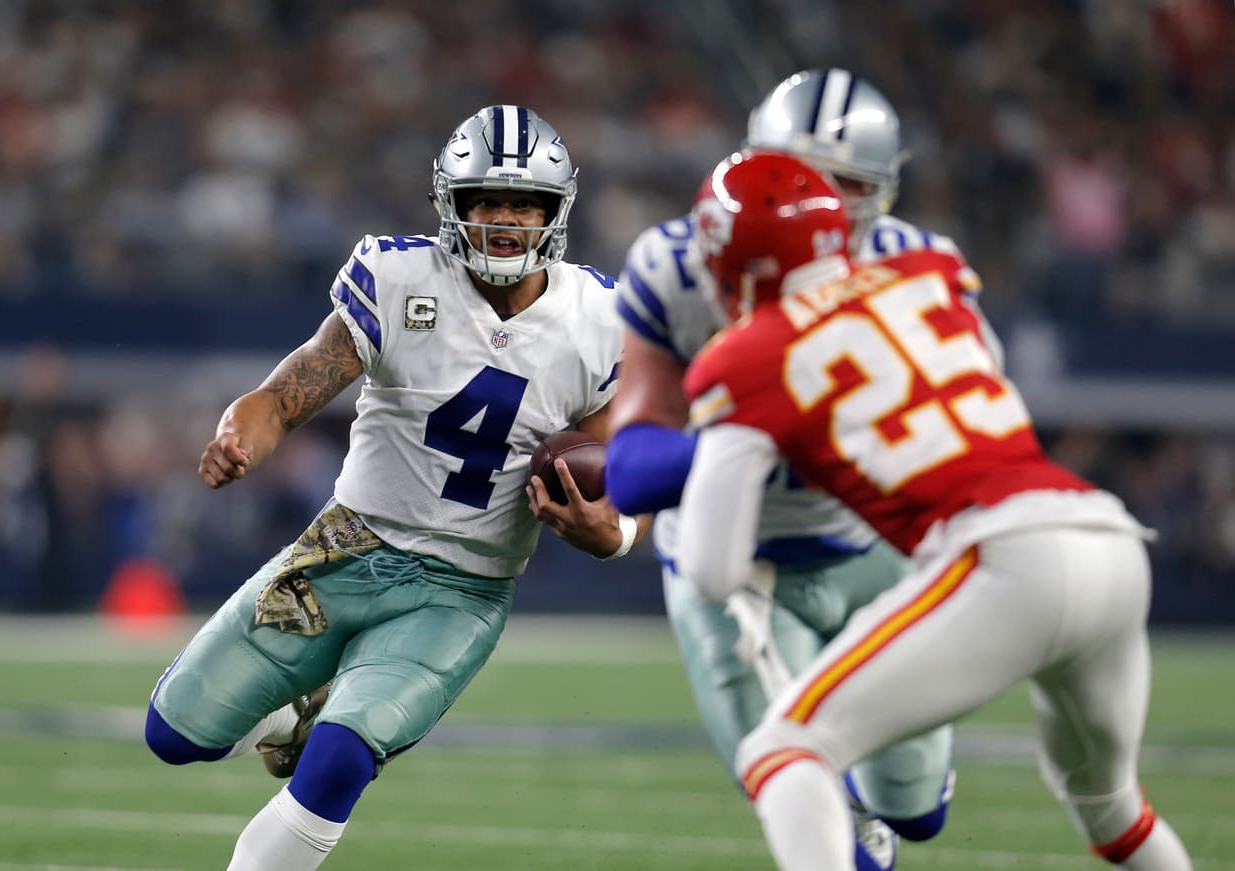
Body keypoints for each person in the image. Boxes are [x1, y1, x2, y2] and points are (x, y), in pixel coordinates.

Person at [142, 104, 646, 871]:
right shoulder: (401, 278)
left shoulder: (598, 319)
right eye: (487, 201)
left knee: (342, 758)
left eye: (524, 203)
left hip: (461, 589)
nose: (505, 220)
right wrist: (240, 433)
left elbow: (625, 473)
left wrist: (612, 533)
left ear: (555, 211)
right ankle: (289, 719)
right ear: (454, 205)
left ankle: (318, 738)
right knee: (175, 734)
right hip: (343, 549)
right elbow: (284, 393)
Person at [676, 149, 1193, 870]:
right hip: (1103, 534)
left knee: (782, 747)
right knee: (1113, 808)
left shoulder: (744, 358)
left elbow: (709, 569)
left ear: (745, 261)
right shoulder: (928, 273)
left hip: (1004, 556)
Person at [605, 69, 963, 869]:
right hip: (740, 571)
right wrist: (753, 437)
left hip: (880, 551)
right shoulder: (679, 265)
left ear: (884, 190)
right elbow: (631, 467)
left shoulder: (916, 267)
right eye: (797, 174)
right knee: (812, 810)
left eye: (846, 185)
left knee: (916, 810)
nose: (817, 201)